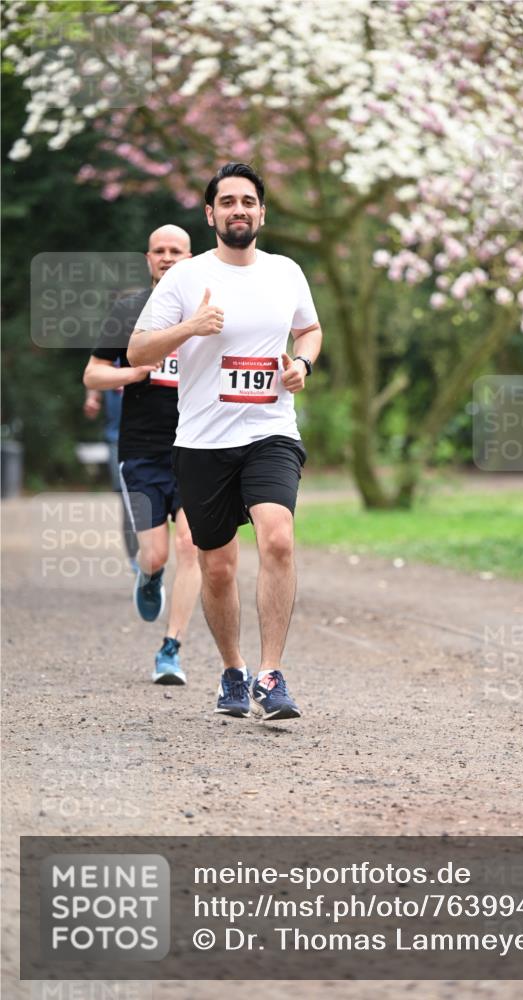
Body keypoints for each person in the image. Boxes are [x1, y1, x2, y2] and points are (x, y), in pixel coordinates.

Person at [127, 163, 322, 721]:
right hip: (203, 441)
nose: (240, 209)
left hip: (271, 431)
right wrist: (191, 327)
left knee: (279, 538)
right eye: (228, 202)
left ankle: (271, 675)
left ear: (262, 212)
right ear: (211, 214)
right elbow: (139, 351)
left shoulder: (286, 271)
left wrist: (302, 363)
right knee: (216, 566)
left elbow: (310, 328)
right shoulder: (184, 279)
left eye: (249, 201)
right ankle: (233, 671)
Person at [83, 225, 201, 686]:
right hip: (143, 450)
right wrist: (131, 374)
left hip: (198, 447)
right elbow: (93, 375)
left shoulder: (206, 312)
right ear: (148, 259)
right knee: (154, 556)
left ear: (191, 258)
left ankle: (170, 649)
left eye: (177, 251)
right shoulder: (129, 310)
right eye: (160, 251)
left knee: (191, 546)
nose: (168, 257)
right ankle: (150, 577)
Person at [83, 385, 139, 565]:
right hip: (117, 439)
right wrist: (92, 398)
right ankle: (136, 562)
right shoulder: (113, 357)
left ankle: (154, 557)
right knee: (128, 501)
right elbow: (94, 377)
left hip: (156, 437)